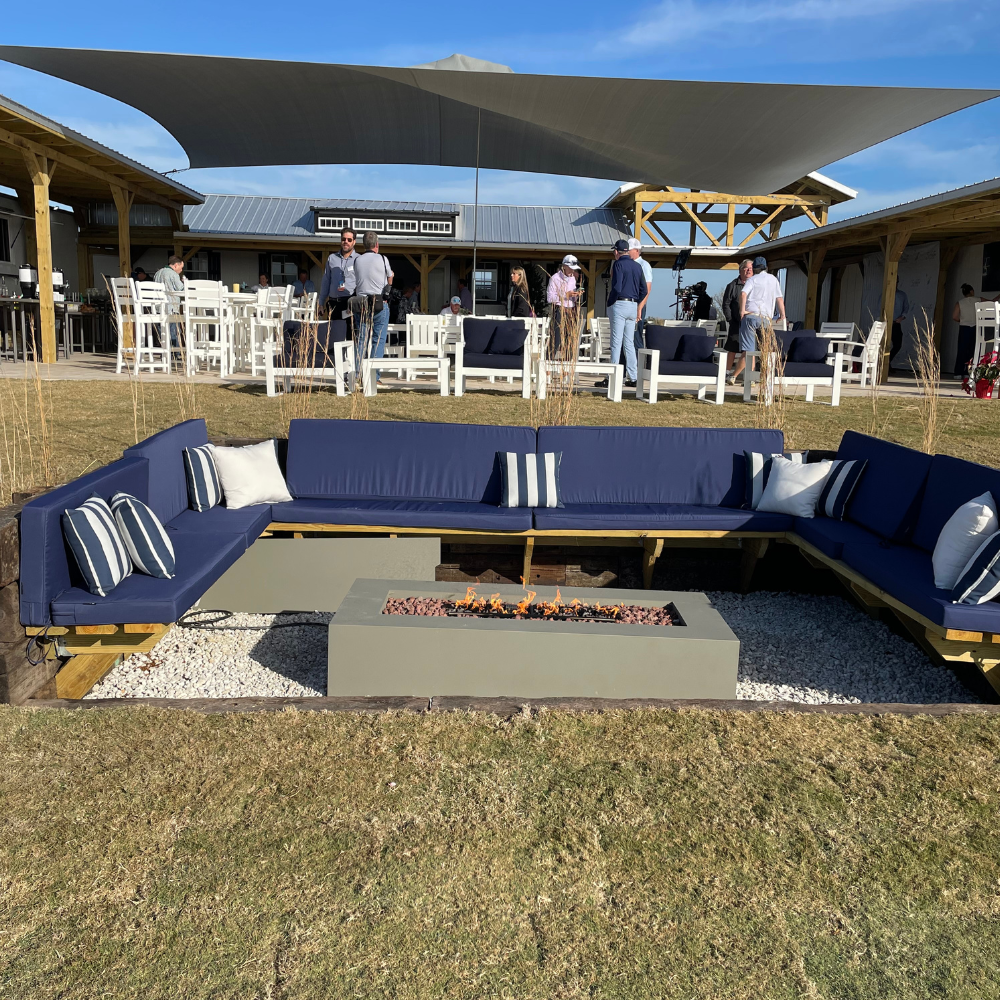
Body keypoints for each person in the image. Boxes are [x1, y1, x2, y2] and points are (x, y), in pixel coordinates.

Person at [732, 256, 785, 383]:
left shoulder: (752, 280)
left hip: (751, 316)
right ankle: (763, 378)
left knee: (748, 351)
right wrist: (782, 315)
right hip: (765, 318)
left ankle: (736, 377)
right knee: (765, 350)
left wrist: (742, 310)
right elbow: (779, 298)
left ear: (754, 268)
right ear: (766, 267)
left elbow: (743, 293)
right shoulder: (773, 280)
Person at [601, 239, 645, 388]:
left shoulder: (618, 264)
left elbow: (617, 287)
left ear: (616, 251)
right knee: (629, 343)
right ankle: (633, 377)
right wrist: (636, 301)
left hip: (619, 303)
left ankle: (613, 376)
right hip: (632, 305)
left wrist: (610, 302)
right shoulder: (638, 266)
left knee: (616, 342)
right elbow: (644, 289)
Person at [352, 231, 393, 367]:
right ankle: (374, 376)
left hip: (362, 303)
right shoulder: (382, 259)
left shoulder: (357, 260)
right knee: (378, 339)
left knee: (362, 339)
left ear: (364, 245)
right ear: (377, 244)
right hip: (379, 302)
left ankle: (358, 374)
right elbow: (389, 277)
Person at [722, 259, 754, 382]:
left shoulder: (755, 284)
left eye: (751, 268)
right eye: (746, 268)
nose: (749, 270)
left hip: (751, 323)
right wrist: (730, 319)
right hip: (736, 323)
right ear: (740, 270)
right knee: (732, 349)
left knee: (749, 351)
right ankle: (726, 373)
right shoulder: (732, 285)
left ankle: (749, 378)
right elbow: (726, 304)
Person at [547, 254, 583, 357]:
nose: (572, 271)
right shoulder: (555, 278)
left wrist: (575, 295)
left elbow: (571, 297)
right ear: (564, 266)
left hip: (571, 309)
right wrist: (565, 295)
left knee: (570, 339)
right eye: (571, 268)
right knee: (556, 338)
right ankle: (549, 361)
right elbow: (550, 298)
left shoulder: (572, 279)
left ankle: (568, 361)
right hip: (559, 309)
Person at [319, 228, 358, 321]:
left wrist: (356, 303)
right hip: (333, 303)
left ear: (354, 242)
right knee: (333, 334)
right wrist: (321, 303)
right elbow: (326, 281)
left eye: (349, 240)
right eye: (343, 239)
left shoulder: (359, 259)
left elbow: (362, 283)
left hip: (349, 304)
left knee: (350, 334)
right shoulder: (332, 258)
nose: (346, 242)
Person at [628, 237, 652, 359]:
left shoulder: (644, 265)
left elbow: (647, 289)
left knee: (636, 335)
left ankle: (638, 369)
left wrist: (640, 308)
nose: (627, 252)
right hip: (629, 304)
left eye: (629, 250)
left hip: (638, 304)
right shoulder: (627, 264)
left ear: (636, 250)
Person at [153, 255, 184, 347]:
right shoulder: (173, 274)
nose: (181, 270)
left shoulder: (158, 273)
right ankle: (175, 353)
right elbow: (181, 289)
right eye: (181, 268)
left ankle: (164, 352)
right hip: (171, 308)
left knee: (162, 333)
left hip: (158, 308)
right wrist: (184, 282)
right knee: (174, 332)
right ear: (176, 266)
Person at [953, 283, 982, 378]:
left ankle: (958, 372)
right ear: (971, 291)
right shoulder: (978, 300)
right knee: (972, 350)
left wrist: (963, 320)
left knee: (962, 350)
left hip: (964, 327)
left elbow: (955, 316)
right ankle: (969, 373)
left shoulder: (960, 302)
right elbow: (992, 302)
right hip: (975, 327)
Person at [889, 280, 909, 368]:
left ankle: (887, 362)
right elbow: (879, 308)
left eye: (896, 281)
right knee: (882, 345)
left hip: (896, 323)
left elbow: (906, 308)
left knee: (897, 344)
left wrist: (901, 317)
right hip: (885, 323)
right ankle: (884, 365)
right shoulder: (884, 293)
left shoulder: (902, 295)